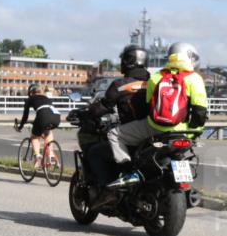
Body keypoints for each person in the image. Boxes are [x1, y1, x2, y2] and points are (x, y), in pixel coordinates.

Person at [106, 42, 208, 186]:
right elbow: (200, 112)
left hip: (156, 127)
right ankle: (183, 183)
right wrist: (192, 133)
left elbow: (149, 106)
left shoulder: (157, 76)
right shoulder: (195, 79)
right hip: (183, 131)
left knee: (114, 134)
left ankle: (128, 172)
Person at [80, 45, 151, 200]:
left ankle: (109, 190)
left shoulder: (121, 84)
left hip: (134, 135)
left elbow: (104, 106)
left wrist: (86, 113)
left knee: (95, 152)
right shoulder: (154, 81)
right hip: (155, 132)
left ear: (128, 61)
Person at [14, 84, 61, 168]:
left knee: (34, 137)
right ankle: (50, 156)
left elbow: (25, 117)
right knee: (48, 133)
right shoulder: (46, 98)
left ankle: (37, 156)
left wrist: (20, 127)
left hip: (42, 116)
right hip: (56, 117)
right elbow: (46, 110)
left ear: (31, 93)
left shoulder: (30, 99)